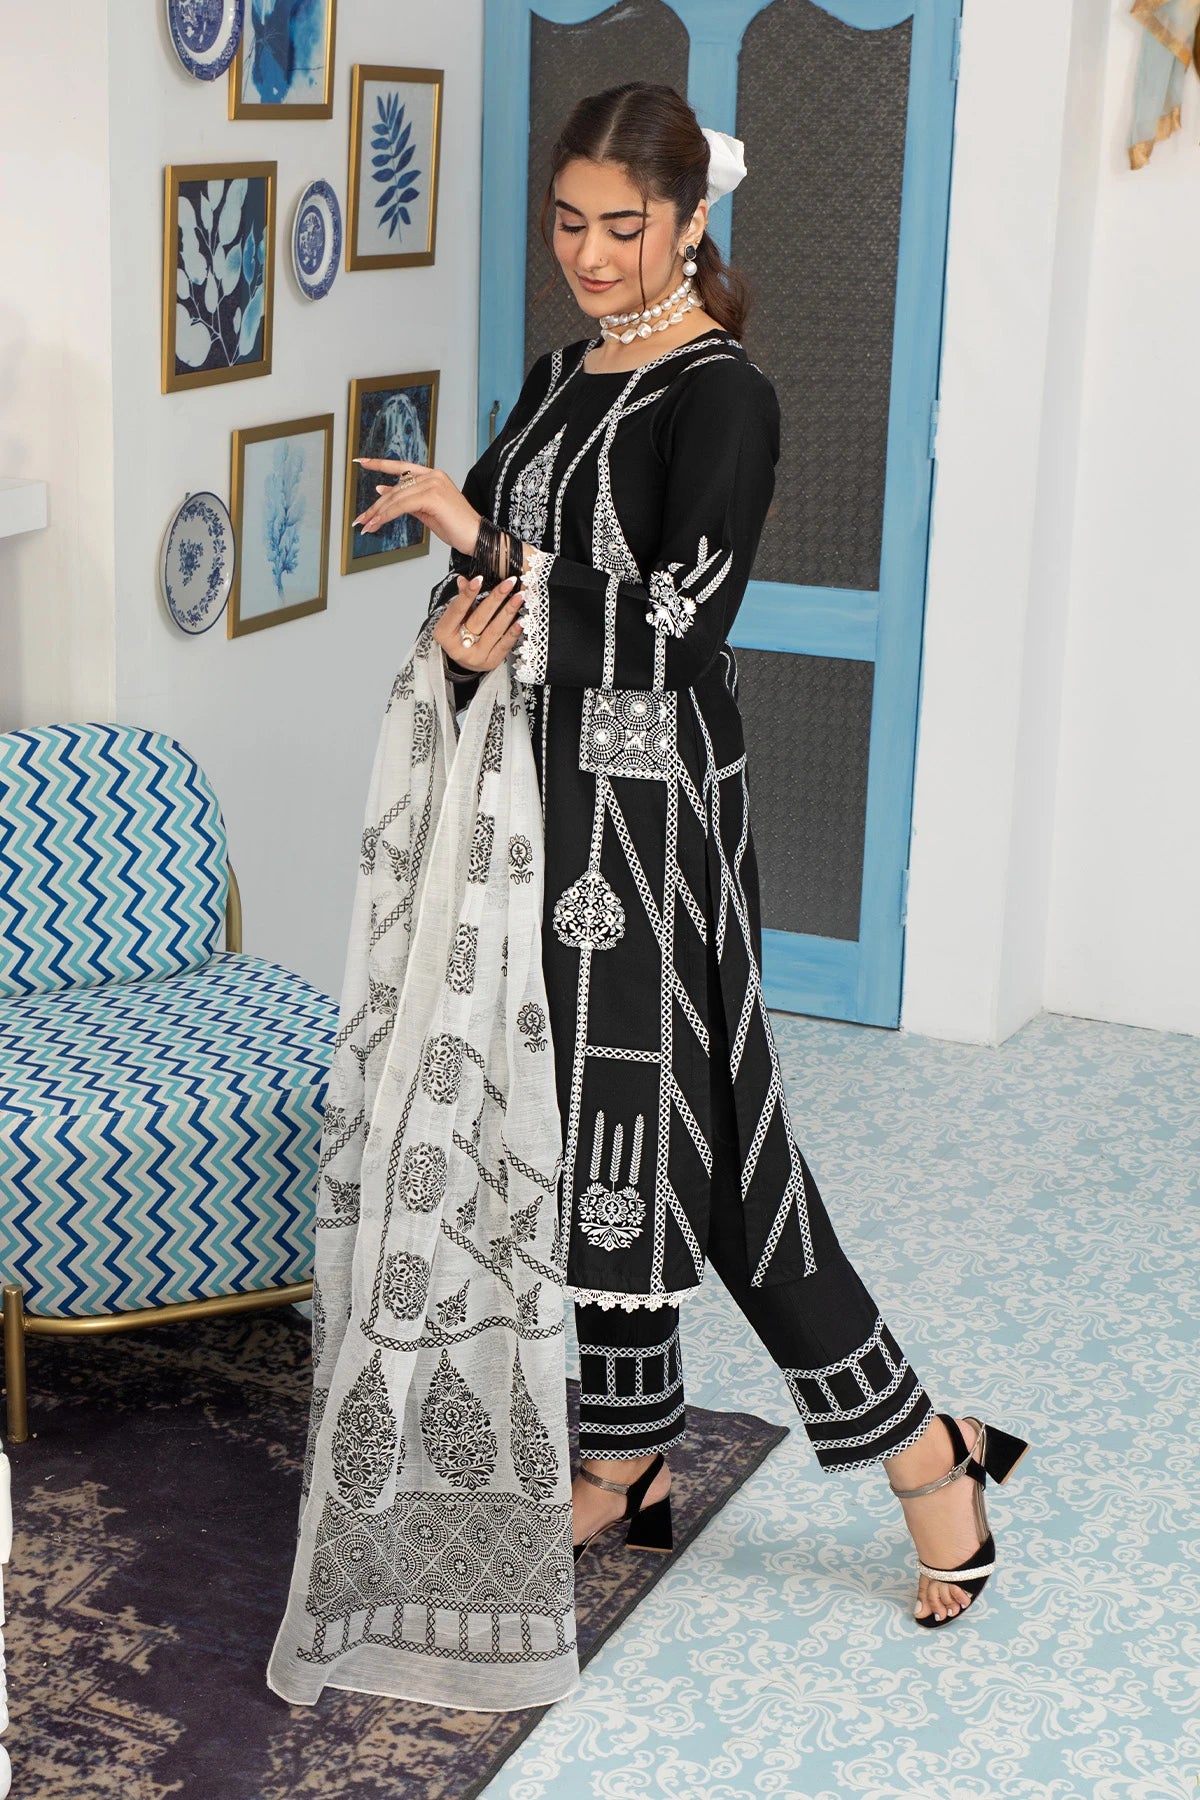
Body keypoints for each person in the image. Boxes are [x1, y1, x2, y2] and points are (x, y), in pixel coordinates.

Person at [351, 81, 1028, 1633]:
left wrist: (486, 549)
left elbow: (675, 628)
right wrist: (462, 637)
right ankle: (629, 1452)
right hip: (535, 800)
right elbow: (494, 601)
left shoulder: (724, 396)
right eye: (568, 224)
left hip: (653, 822)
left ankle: (922, 1450)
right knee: (577, 1126)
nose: (592, 255)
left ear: (689, 218)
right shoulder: (556, 377)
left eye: (625, 225)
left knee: (711, 1150)